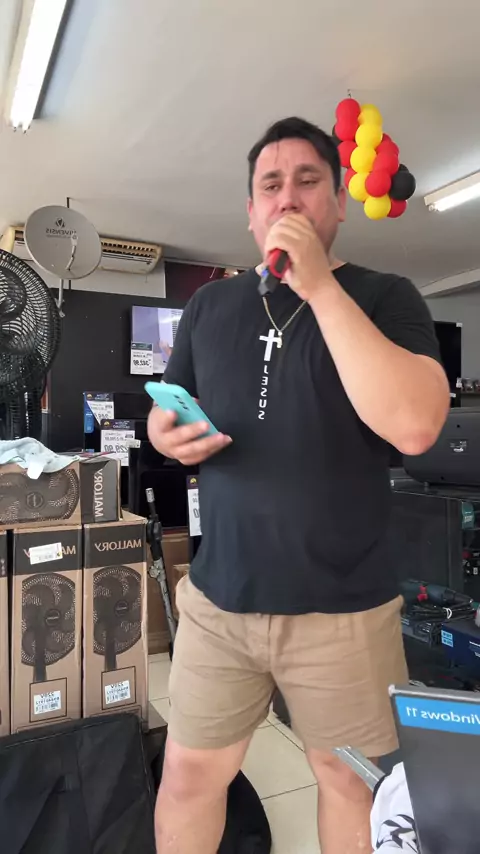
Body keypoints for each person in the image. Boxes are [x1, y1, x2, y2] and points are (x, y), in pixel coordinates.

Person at [148, 116, 449, 854]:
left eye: (308, 181)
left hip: (346, 611)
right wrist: (164, 434)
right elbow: (168, 408)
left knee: (348, 783)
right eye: (270, 185)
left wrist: (317, 286)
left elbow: (416, 427)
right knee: (188, 775)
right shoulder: (209, 306)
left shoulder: (386, 296)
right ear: (251, 212)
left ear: (339, 202)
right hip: (218, 600)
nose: (287, 198)